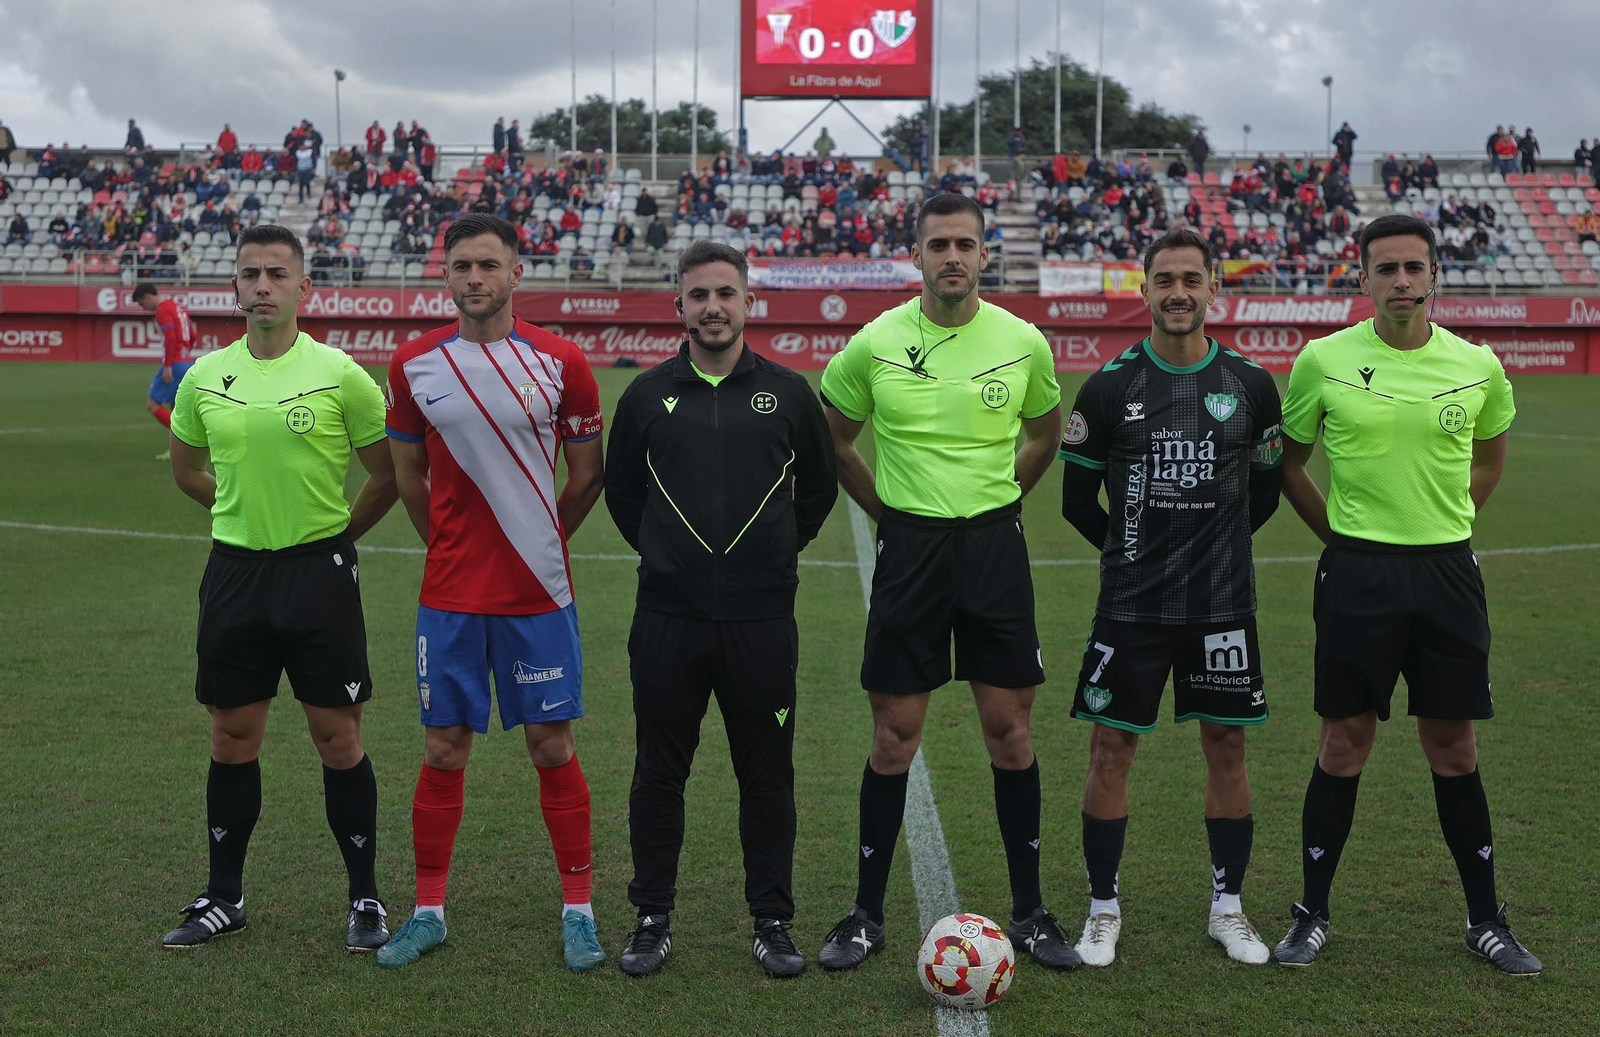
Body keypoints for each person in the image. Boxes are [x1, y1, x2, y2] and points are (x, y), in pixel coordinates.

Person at [1271, 214, 1540, 976]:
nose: (1400, 282)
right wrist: (1343, 536)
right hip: (1358, 574)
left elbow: (1489, 458)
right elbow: (1291, 464)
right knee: (1343, 741)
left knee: (1454, 745)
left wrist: (1446, 523)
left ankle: (1486, 919)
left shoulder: (1477, 366)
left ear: (1434, 276)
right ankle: (1311, 914)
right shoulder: (1321, 360)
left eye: (1413, 268)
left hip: (1447, 574)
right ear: (1361, 278)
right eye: (1384, 268)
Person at [814, 192, 1076, 972]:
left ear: (985, 254)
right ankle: (866, 913)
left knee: (1011, 732)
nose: (952, 256)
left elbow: (1044, 434)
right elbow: (831, 433)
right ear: (917, 255)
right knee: (894, 737)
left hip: (994, 549)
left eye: (966, 243)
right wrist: (884, 511)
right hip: (912, 552)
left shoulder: (1022, 341)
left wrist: (1000, 502)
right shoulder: (875, 342)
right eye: (939, 244)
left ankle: (1029, 910)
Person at [376, 214, 608, 973]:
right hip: (449, 595)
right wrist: (446, 544)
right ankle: (429, 911)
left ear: (516, 272)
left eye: (486, 265)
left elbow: (586, 475)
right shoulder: (412, 364)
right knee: (444, 748)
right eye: (460, 266)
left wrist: (542, 536)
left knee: (552, 746)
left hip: (538, 592)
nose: (472, 278)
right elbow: (408, 477)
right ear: (446, 277)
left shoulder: (562, 361)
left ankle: (579, 912)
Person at [604, 239, 838, 978]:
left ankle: (771, 920)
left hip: (761, 620)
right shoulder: (644, 396)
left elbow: (818, 493)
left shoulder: (791, 393)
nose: (713, 307)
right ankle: (652, 916)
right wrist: (673, 559)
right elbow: (623, 496)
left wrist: (764, 563)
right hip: (667, 620)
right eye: (699, 294)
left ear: (747, 303)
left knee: (766, 774)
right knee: (658, 770)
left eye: (725, 293)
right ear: (680, 305)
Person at [161, 224, 399, 951]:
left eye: (275, 273)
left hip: (318, 574)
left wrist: (335, 539)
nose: (261, 285)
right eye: (249, 273)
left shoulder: (341, 374)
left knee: (338, 737)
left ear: (304, 288)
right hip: (235, 574)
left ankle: (365, 899)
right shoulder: (204, 376)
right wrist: (238, 514)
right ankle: (224, 897)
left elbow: (387, 474)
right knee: (232, 737)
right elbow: (186, 468)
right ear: (234, 286)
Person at [1058, 227, 1283, 968]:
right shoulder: (1109, 384)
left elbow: (1267, 492)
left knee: (1226, 746)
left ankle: (1228, 906)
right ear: (1144, 289)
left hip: (1222, 607)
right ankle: (1101, 908)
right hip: (1130, 609)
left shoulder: (1250, 385)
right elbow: (1076, 499)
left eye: (1193, 279)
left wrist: (1212, 547)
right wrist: (1132, 553)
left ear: (1214, 286)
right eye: (1165, 280)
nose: (1179, 293)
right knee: (1111, 747)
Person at [135, 282, 199, 457]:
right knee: (175, 408)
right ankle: (177, 451)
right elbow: (193, 333)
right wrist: (186, 353)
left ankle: (187, 439)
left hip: (176, 363)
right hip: (187, 361)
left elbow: (170, 337)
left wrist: (169, 365)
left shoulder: (162, 310)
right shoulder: (177, 307)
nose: (143, 308)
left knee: (152, 404)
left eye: (141, 303)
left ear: (148, 296)